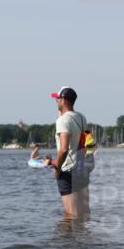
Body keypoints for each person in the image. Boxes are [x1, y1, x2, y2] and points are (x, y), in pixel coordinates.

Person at [46, 86, 89, 218]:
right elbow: (86, 142)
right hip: (82, 169)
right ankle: (83, 238)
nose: (56, 102)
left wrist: (57, 169)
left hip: (68, 171)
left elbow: (64, 149)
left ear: (63, 100)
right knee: (83, 213)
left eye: (57, 99)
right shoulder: (81, 117)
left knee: (71, 215)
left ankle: (66, 238)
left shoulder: (63, 121)